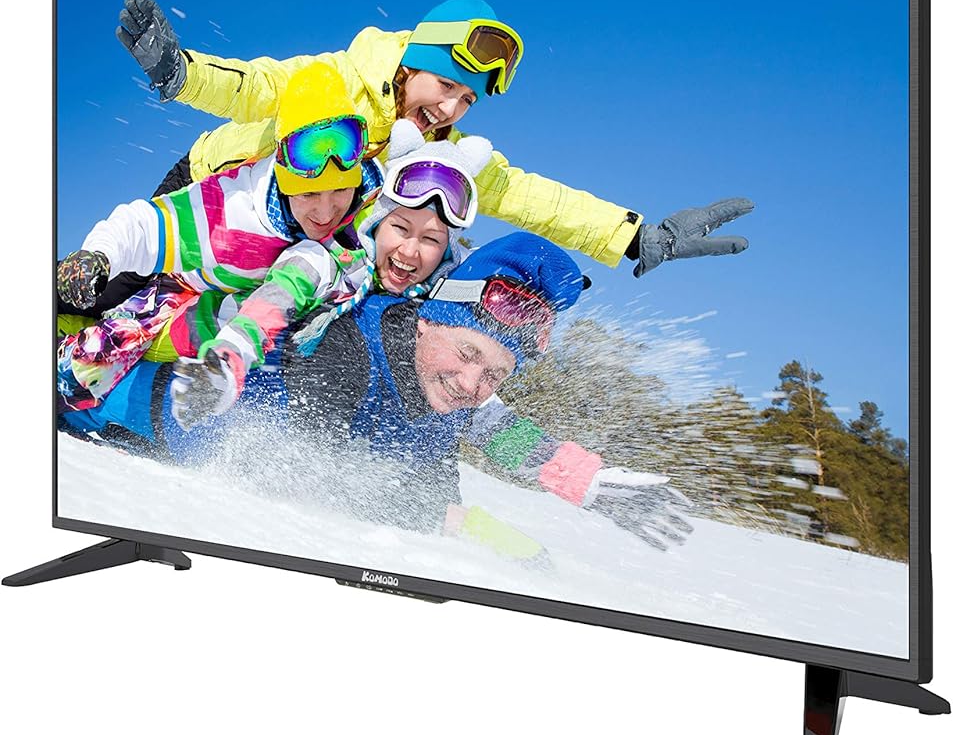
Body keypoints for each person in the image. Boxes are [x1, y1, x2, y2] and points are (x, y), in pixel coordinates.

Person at [61, 233, 693, 552]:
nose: (473, 385)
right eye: (467, 354)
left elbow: (499, 430)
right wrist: (450, 519)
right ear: (427, 320)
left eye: (496, 374)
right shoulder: (350, 351)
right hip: (133, 405)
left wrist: (589, 484)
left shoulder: (453, 388)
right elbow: (294, 475)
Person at [116, 0, 754, 279]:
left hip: (294, 229)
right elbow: (256, 86)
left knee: (209, 309)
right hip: (213, 184)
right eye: (446, 85)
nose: (451, 107)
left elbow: (528, 196)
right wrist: (181, 72)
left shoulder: (443, 153)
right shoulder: (339, 78)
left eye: (467, 99)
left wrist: (632, 234)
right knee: (131, 272)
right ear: (411, 63)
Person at [56, 62, 378, 411]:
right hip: (181, 285)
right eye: (309, 195)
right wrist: (99, 254)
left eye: (339, 191)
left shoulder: (374, 202)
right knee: (85, 369)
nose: (326, 213)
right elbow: (147, 225)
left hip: (227, 311)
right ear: (286, 184)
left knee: (191, 335)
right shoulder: (232, 209)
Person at [170, 118, 494, 427]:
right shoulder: (325, 260)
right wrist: (228, 361)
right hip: (200, 339)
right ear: (376, 224)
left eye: (431, 239)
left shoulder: (433, 299)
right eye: (400, 228)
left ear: (446, 252)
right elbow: (272, 303)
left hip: (284, 393)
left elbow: (473, 370)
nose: (410, 251)